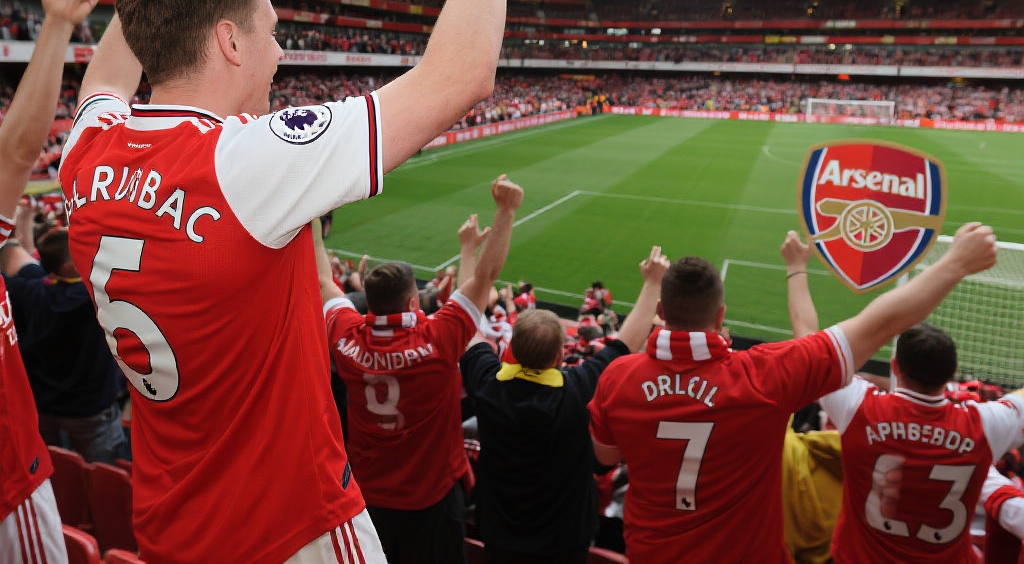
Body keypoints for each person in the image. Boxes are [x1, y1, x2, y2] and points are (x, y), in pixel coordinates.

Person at [58, 0, 508, 564]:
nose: (281, 51)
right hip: (294, 530)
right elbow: (462, 75)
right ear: (231, 42)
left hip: (172, 527)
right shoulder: (242, 162)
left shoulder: (86, 151)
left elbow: (108, 79)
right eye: (271, 32)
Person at [587, 222, 998, 564]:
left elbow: (605, 457)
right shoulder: (763, 378)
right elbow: (878, 325)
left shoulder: (618, 378)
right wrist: (955, 263)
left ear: (661, 312)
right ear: (721, 315)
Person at [780, 230, 1024, 564]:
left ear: (894, 366)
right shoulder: (985, 425)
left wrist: (796, 267)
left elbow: (806, 339)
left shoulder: (858, 407)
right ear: (951, 375)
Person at [322, 175, 523, 564]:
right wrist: (506, 211)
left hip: (369, 499)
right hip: (432, 501)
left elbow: (322, 282)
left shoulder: (347, 340)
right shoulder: (438, 338)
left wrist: (310, 214)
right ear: (414, 303)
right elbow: (485, 278)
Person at [460, 246, 668, 564]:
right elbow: (626, 342)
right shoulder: (577, 390)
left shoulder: (489, 385)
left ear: (512, 348)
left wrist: (469, 252)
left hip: (499, 534)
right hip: (565, 542)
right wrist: (653, 282)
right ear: (560, 356)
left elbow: (465, 323)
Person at [0, 0, 99, 564]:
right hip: (9, 491)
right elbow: (16, 152)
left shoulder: (31, 280)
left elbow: (15, 152)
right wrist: (58, 24)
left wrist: (59, 24)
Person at [1, 203, 129, 464]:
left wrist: (22, 221)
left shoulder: (31, 289)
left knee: (56, 468)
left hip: (45, 407)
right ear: (71, 266)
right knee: (103, 475)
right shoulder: (94, 296)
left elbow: (16, 257)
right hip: (90, 412)